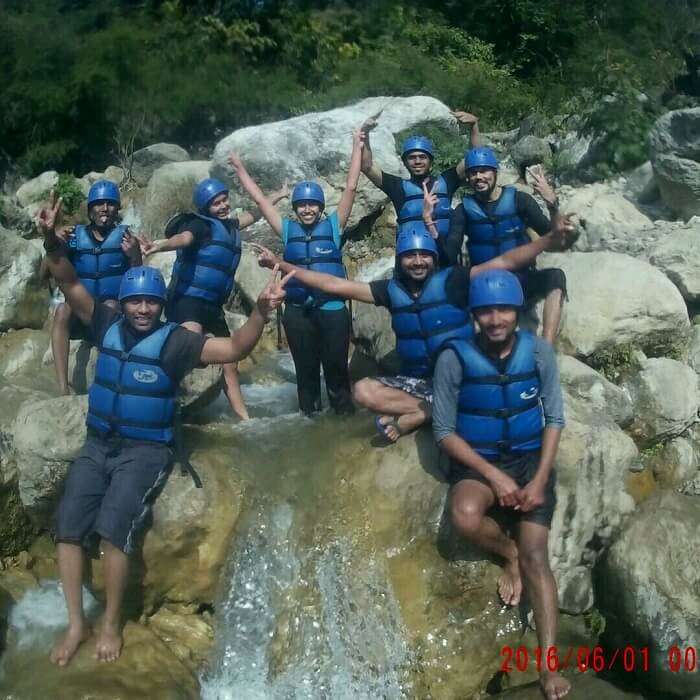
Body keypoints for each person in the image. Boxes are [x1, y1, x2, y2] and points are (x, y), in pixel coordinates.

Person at [37, 191, 291, 667]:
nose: (141, 310)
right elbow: (69, 280)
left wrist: (260, 311)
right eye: (135, 301)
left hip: (144, 449)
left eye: (150, 303)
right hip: (99, 443)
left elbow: (234, 348)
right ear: (124, 301)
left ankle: (110, 621)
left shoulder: (175, 342)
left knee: (114, 531)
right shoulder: (105, 319)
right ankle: (76, 623)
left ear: (160, 305)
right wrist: (50, 239)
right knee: (69, 528)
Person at [255, 211, 574, 443]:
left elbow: (505, 262)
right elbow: (331, 283)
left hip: (461, 377)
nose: (418, 261)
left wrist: (547, 239)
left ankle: (430, 412)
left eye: (424, 255)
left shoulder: (455, 281)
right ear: (400, 260)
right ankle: (430, 410)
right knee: (363, 391)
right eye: (410, 256)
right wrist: (281, 265)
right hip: (420, 381)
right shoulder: (389, 291)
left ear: (434, 258)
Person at [432, 269, 569, 700]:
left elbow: (554, 419)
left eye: (504, 310)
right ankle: (505, 551)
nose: (495, 319)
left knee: (537, 558)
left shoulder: (539, 353)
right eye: (486, 311)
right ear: (475, 315)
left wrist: (540, 478)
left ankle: (549, 668)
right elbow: (443, 430)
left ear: (517, 312)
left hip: (530, 461)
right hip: (481, 462)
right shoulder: (454, 357)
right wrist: (494, 476)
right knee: (464, 515)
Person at [229, 130, 364, 416]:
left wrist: (356, 145)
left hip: (332, 309)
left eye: (312, 204)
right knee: (306, 376)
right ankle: (311, 425)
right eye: (302, 204)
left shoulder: (334, 226)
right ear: (295, 208)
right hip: (298, 312)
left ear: (320, 207)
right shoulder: (287, 230)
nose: (307, 209)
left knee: (337, 374)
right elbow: (262, 203)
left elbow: (351, 187)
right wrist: (240, 169)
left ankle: (343, 425)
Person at [140, 176, 289, 421]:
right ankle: (159, 407)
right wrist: (160, 246)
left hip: (212, 306)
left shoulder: (230, 227)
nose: (223, 206)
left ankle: (244, 419)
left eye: (224, 200)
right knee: (187, 349)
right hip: (186, 301)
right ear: (205, 208)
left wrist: (279, 195)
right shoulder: (201, 226)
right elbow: (184, 239)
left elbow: (256, 214)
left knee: (229, 361)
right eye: (216, 203)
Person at [442, 147, 567, 343]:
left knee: (556, 277)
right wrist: (433, 233)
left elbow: (553, 237)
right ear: (467, 178)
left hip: (521, 279)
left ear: (495, 173)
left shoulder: (520, 200)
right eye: (473, 173)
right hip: (485, 283)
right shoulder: (463, 210)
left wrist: (552, 205)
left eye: (484, 171)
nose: (479, 177)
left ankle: (547, 346)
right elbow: (451, 248)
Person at [48, 180, 142, 395]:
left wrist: (135, 256)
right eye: (99, 204)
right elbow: (46, 272)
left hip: (112, 318)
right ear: (90, 210)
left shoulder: (127, 238)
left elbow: (137, 281)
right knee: (62, 309)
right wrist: (53, 240)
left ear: (117, 208)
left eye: (110, 203)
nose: (105, 208)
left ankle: (106, 383)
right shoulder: (73, 237)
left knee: (109, 304)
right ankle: (62, 388)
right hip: (81, 315)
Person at [359, 110, 480, 265]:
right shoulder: (397, 187)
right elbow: (367, 166)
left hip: (444, 255)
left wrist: (474, 127)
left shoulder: (447, 180)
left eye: (422, 157)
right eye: (412, 157)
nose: (417, 161)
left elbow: (474, 157)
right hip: (412, 260)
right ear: (405, 162)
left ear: (431, 161)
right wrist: (365, 133)